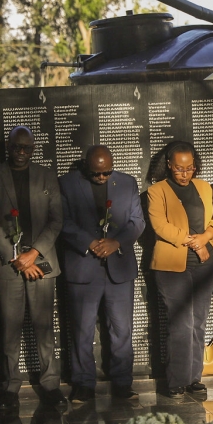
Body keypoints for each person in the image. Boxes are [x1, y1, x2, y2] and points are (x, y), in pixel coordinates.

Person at [0, 126, 66, 416]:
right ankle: (9, 387)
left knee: (44, 328)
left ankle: (50, 385)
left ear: (33, 148)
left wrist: (32, 254)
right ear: (8, 146)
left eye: (26, 148)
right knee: (9, 328)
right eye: (16, 147)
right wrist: (15, 256)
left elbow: (56, 220)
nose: (21, 152)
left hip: (40, 261)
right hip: (7, 265)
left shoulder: (47, 176)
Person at [59, 145, 145, 403]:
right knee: (82, 330)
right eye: (96, 174)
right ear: (87, 167)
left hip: (118, 267)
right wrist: (89, 243)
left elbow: (137, 222)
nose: (102, 178)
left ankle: (122, 384)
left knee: (121, 330)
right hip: (83, 267)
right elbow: (61, 220)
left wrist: (115, 243)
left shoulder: (128, 183)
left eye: (106, 172)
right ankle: (83, 384)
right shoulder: (66, 184)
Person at [147, 141, 213, 399]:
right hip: (172, 266)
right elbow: (160, 225)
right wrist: (194, 242)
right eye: (179, 168)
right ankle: (176, 380)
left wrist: (206, 237)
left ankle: (194, 379)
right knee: (180, 322)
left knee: (198, 322)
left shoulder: (203, 187)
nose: (184, 173)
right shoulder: (157, 191)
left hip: (205, 265)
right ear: (169, 165)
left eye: (190, 168)